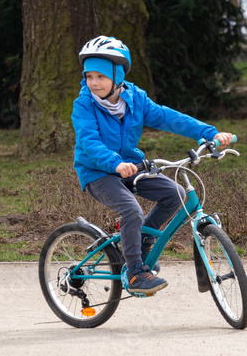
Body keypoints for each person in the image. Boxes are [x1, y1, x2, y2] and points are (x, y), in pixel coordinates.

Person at [71, 35, 235, 296]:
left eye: (100, 76)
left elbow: (170, 118)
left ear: (117, 74)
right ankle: (135, 272)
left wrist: (208, 133)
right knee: (131, 209)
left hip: (131, 166)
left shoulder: (135, 100)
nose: (93, 83)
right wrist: (115, 163)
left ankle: (144, 245)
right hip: (97, 172)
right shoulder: (83, 105)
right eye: (89, 76)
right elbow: (89, 142)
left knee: (176, 195)